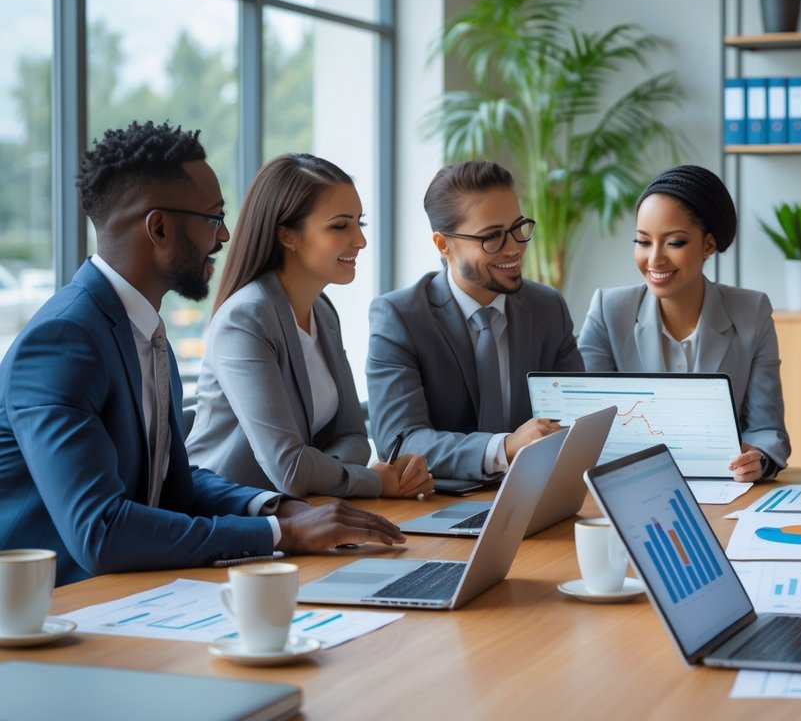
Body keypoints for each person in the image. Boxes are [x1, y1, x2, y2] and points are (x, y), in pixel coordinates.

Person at [0, 122, 404, 586]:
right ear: (160, 227)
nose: (227, 234)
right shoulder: (63, 341)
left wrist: (277, 507)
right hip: (52, 610)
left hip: (130, 592)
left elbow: (173, 484)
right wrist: (280, 531)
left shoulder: (146, 334)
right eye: (214, 218)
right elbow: (102, 531)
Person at [186, 153, 431, 500]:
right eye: (340, 226)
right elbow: (290, 468)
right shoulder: (245, 320)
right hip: (230, 520)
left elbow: (354, 438)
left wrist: (323, 474)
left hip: (302, 511)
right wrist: (372, 481)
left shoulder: (323, 312)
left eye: (360, 223)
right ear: (288, 236)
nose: (360, 241)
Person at [367, 160, 583, 481]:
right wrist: (504, 447)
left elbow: (575, 416)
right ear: (444, 245)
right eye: (492, 237)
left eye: (518, 228)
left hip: (535, 491)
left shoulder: (547, 307)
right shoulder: (399, 317)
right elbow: (400, 441)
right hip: (439, 504)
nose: (515, 248)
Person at [578, 165, 790, 481]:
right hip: (631, 483)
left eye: (674, 242)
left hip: (725, 485)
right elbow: (584, 426)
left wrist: (757, 459)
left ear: (708, 245)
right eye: (642, 241)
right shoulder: (609, 311)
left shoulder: (751, 311)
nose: (654, 259)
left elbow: (766, 429)